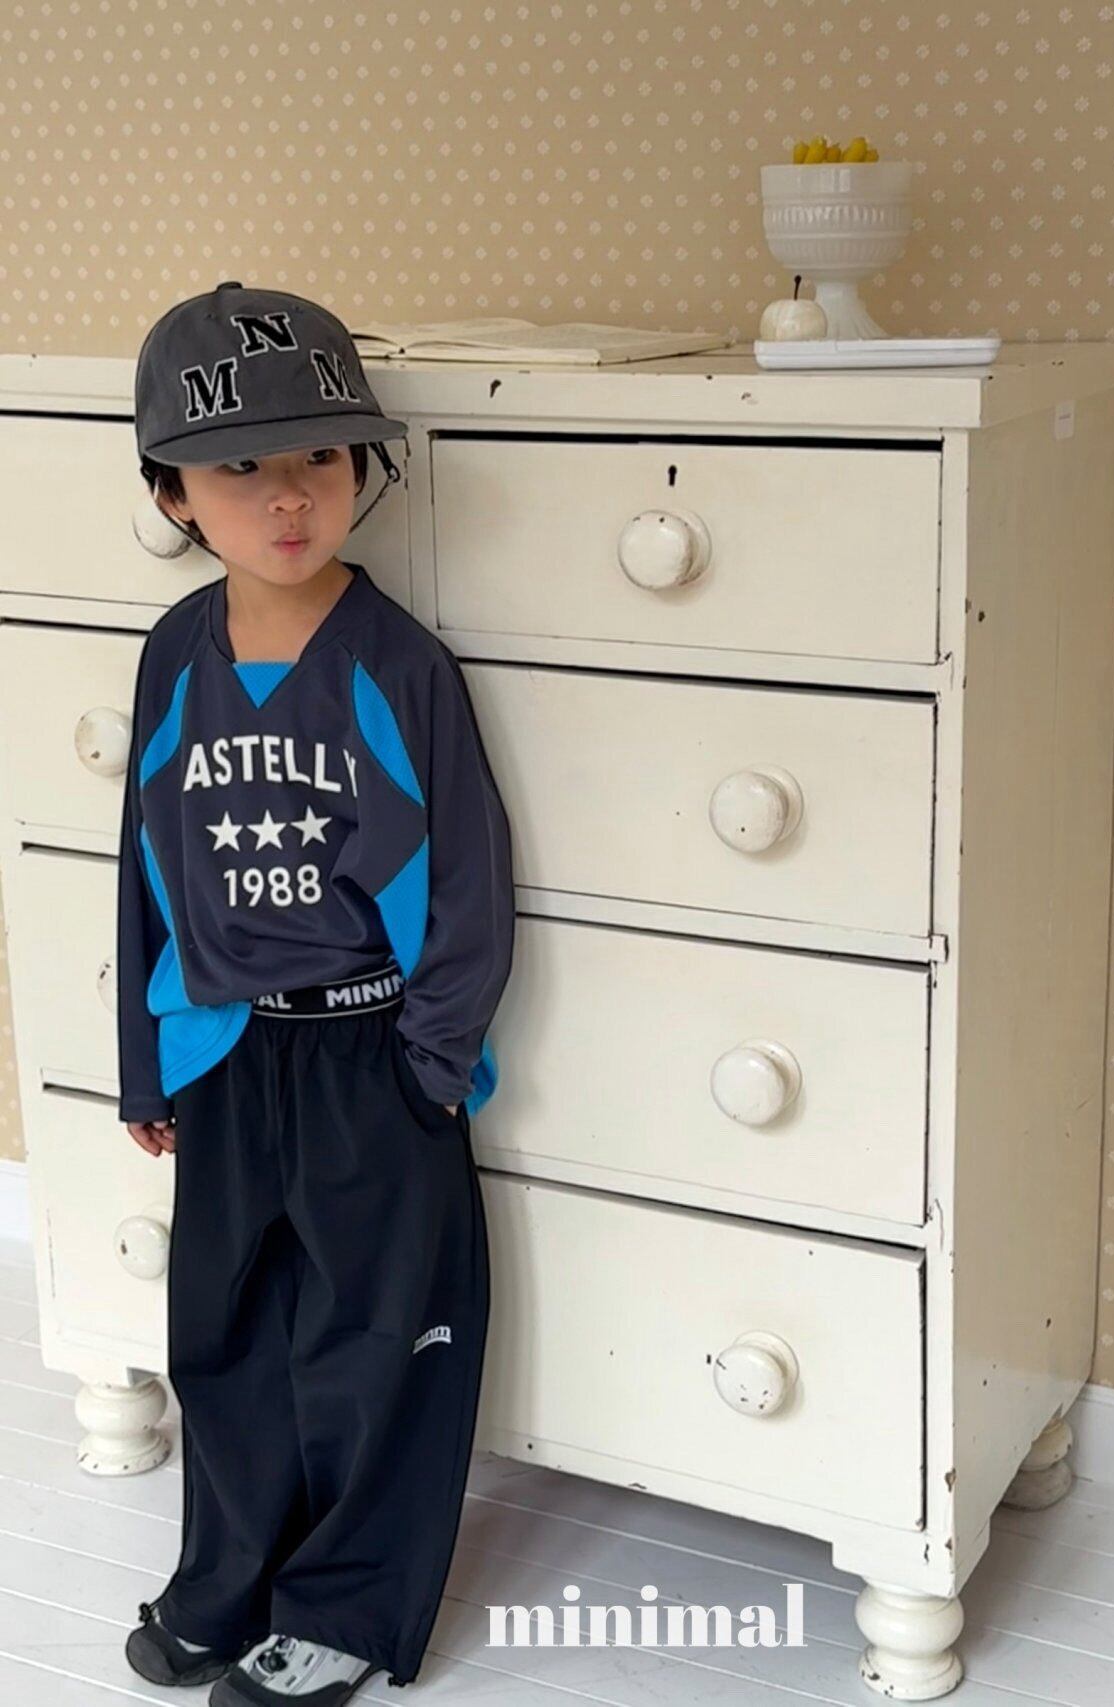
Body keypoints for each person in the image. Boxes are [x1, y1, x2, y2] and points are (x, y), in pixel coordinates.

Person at [118, 282, 516, 1705]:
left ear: (359, 470)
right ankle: (229, 1578)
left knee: (372, 1350)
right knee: (223, 1336)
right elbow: (147, 864)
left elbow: (469, 882)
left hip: (369, 1058)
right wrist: (147, 1058)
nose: (288, 495)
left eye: (319, 459)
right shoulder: (176, 656)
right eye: (241, 467)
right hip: (228, 1056)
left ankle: (344, 1607)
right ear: (173, 493)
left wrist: (430, 1064)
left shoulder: (397, 667)